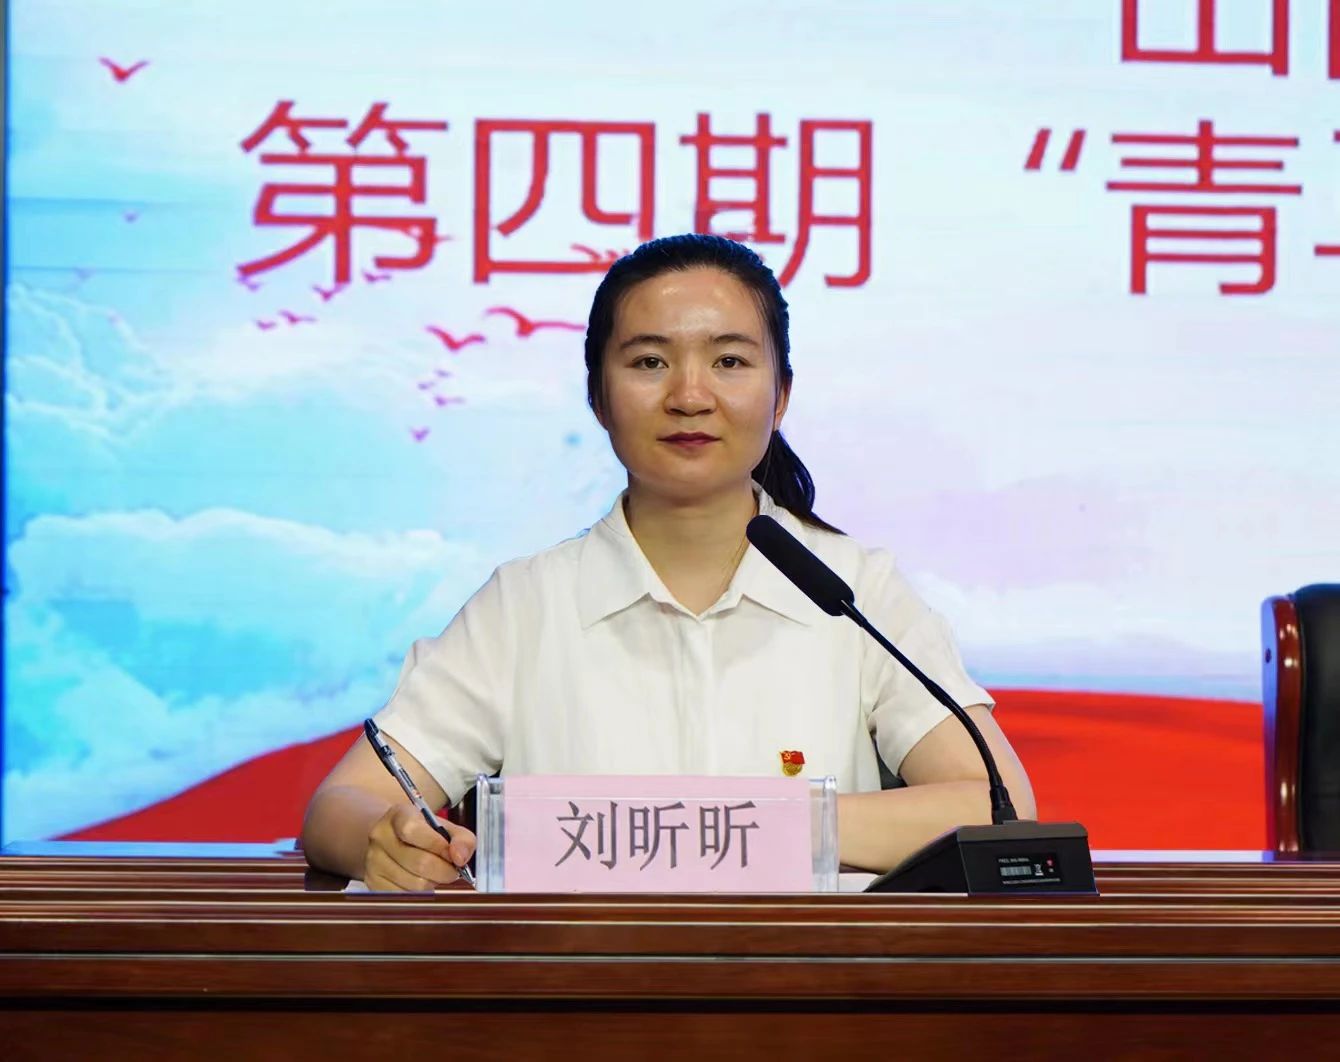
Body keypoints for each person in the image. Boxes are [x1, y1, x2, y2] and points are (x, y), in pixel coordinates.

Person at [301, 233, 1035, 890]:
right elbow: (341, 805)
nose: (689, 395)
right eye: (650, 362)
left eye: (729, 361)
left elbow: (998, 809)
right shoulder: (527, 604)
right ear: (597, 396)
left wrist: (738, 829)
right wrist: (383, 843)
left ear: (780, 394)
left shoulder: (855, 591)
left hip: (809, 990)